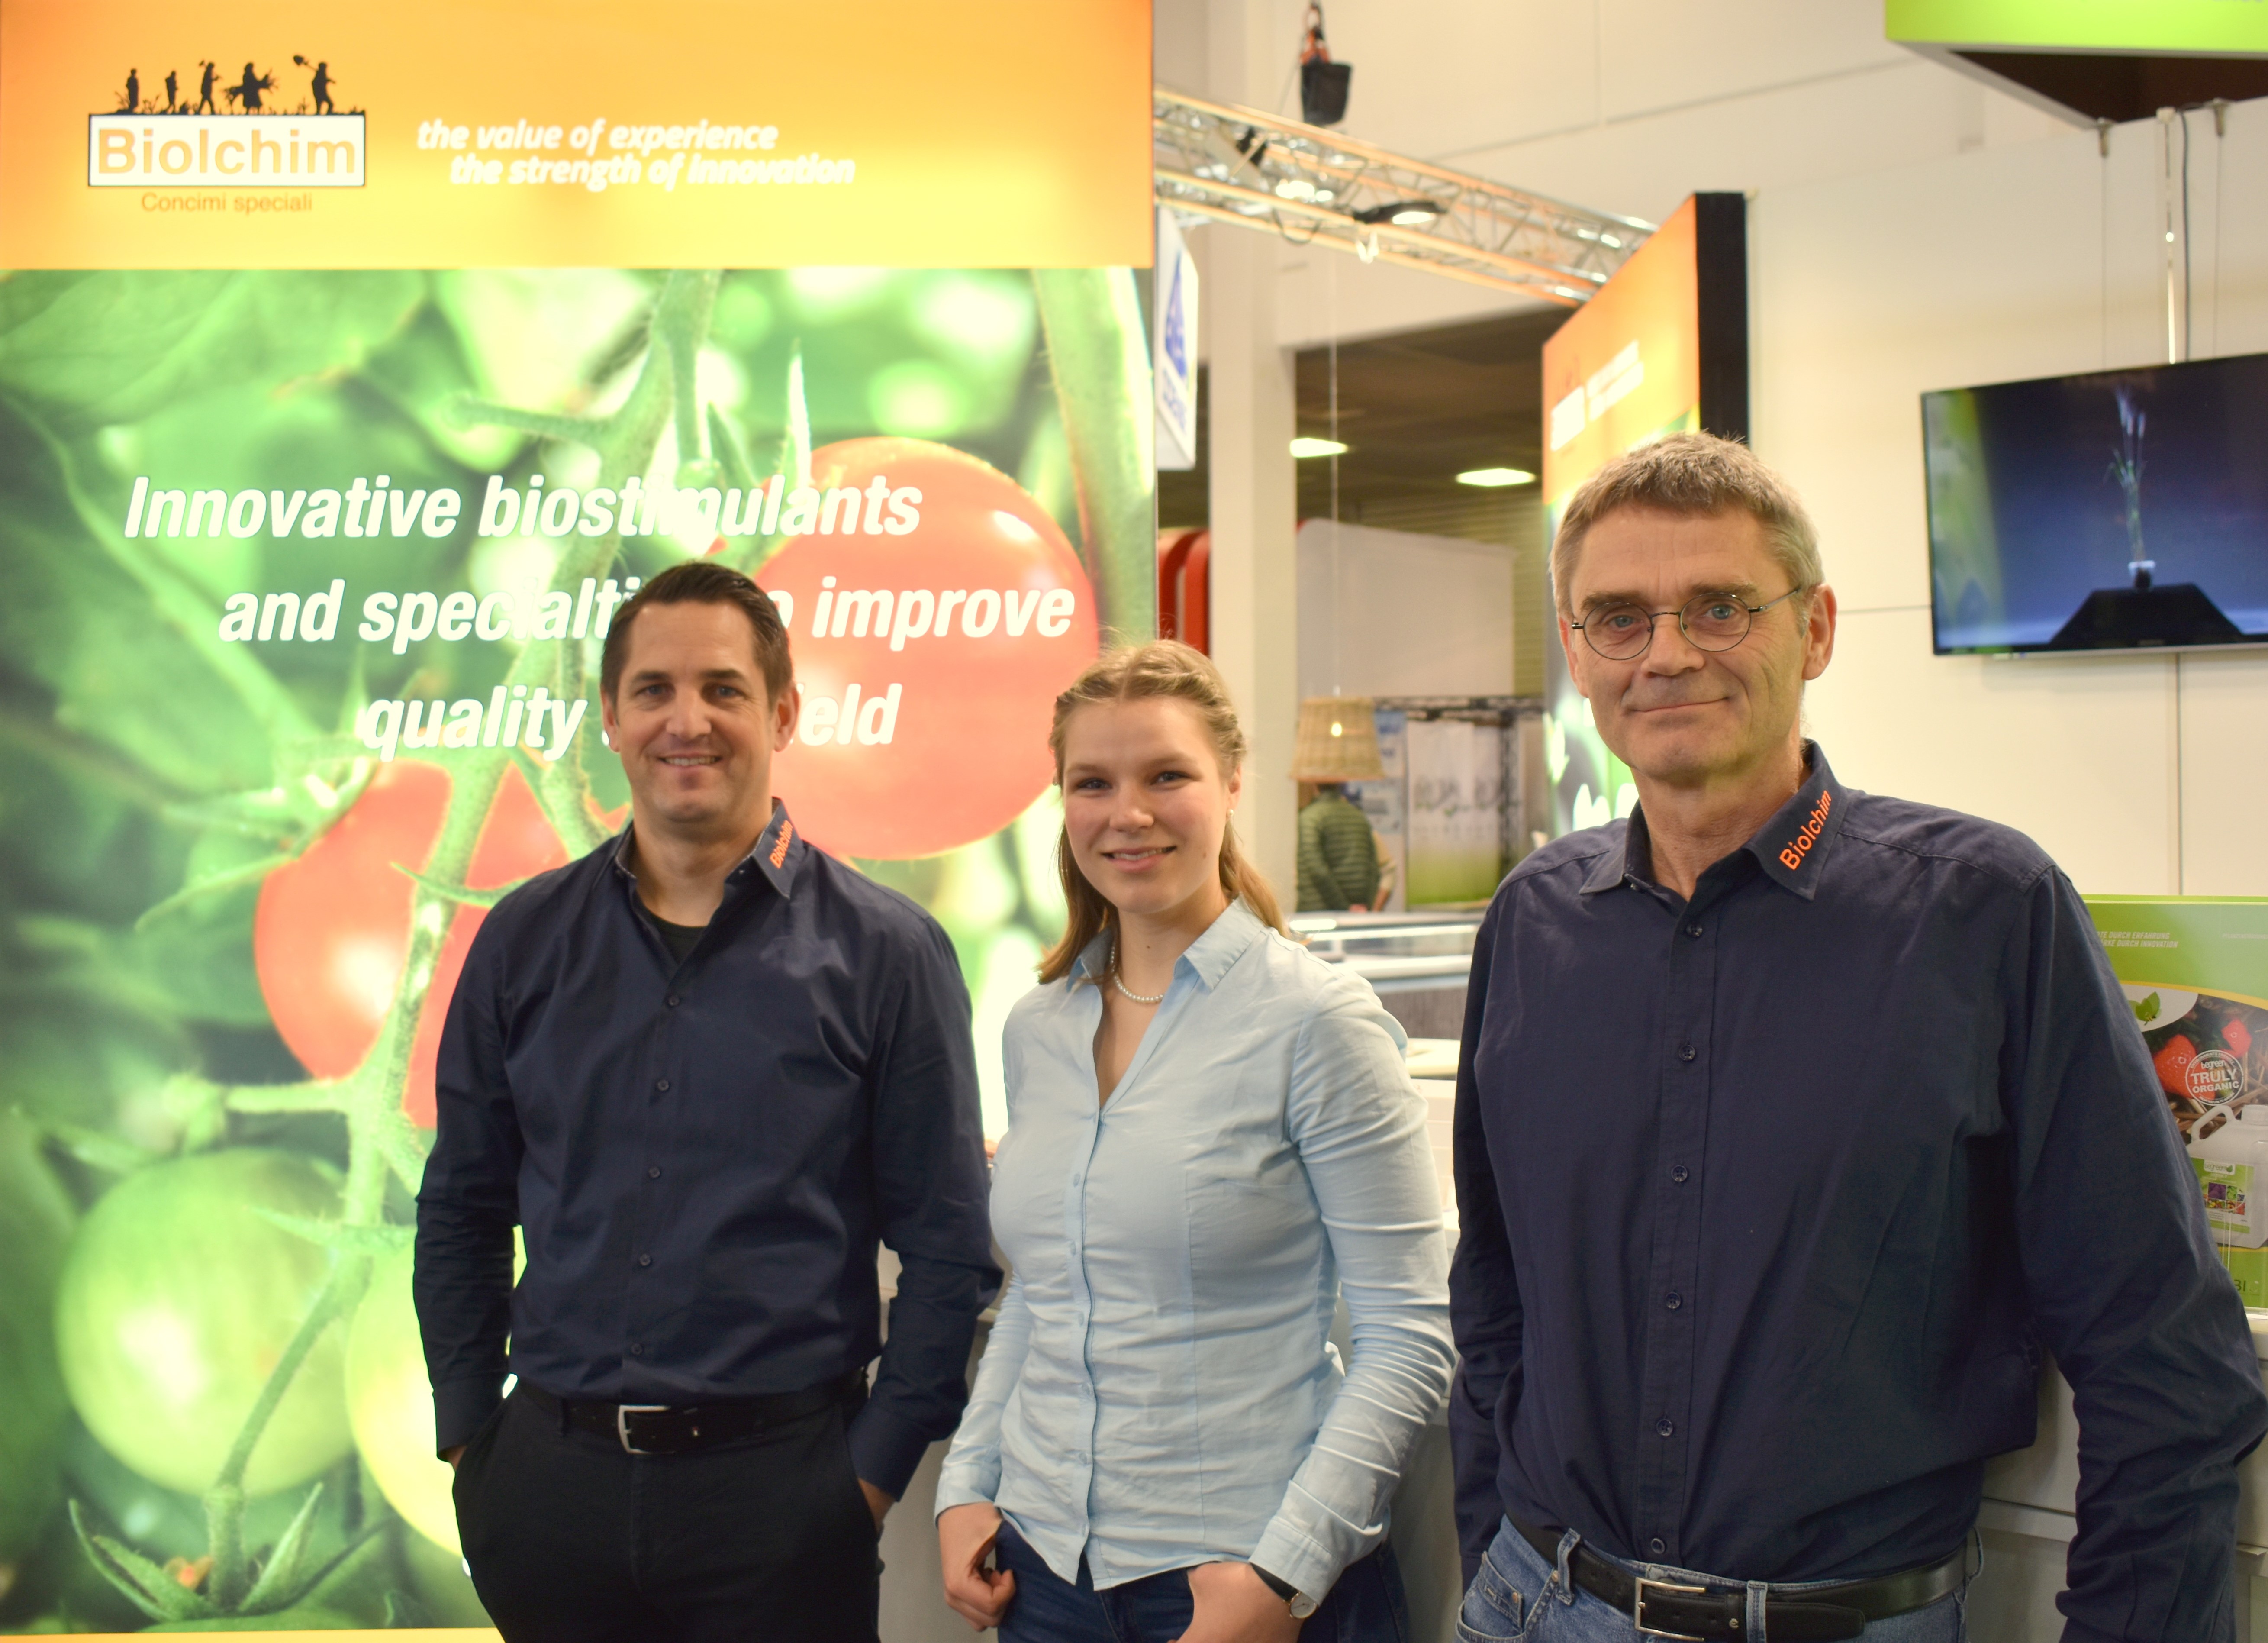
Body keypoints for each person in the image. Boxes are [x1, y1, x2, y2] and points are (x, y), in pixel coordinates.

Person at [1449, 432, 2268, 1642]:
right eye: (1618, 619)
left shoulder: (1982, 912)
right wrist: (1489, 1554)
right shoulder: (1533, 920)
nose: (1667, 653)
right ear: (1576, 650)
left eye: (1720, 607)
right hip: (1536, 1601)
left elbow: (2163, 1352)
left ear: (1817, 628)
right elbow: (1495, 1294)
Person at [414, 561, 997, 1643]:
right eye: (655, 690)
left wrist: (861, 1483)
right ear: (610, 716)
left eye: (724, 689)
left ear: (782, 713)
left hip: (783, 1503)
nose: (688, 721)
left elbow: (948, 1248)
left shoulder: (889, 953)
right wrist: (470, 1444)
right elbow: (461, 1206)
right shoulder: (521, 940)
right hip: (547, 1497)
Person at [936, 641, 1454, 1642]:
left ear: (1230, 782)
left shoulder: (1317, 1021)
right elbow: (1042, 1292)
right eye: (1093, 783)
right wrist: (967, 1481)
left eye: (1166, 776)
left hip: (1242, 1576)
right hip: (1044, 1576)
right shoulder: (1038, 1027)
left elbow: (1407, 1337)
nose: (1127, 813)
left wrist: (1283, 1573)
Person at [1296, 779, 1381, 912]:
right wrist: (1365, 906)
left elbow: (1316, 868)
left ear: (1314, 785)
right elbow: (1373, 867)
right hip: (1358, 912)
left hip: (1317, 911)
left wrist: (1345, 907)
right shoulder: (1359, 817)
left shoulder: (1310, 818)